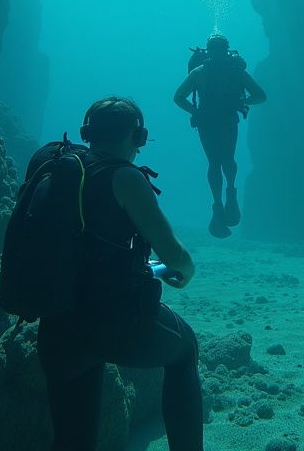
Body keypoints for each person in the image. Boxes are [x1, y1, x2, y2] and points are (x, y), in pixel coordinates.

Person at [36, 97, 202, 451]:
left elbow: (87, 253)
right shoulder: (125, 177)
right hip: (113, 325)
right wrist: (183, 272)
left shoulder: (58, 170)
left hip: (56, 328)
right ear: (138, 137)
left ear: (87, 133)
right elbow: (177, 257)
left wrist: (149, 269)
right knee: (185, 349)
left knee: (73, 442)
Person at [173, 33, 267, 239]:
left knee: (214, 163)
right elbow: (260, 96)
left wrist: (195, 112)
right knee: (228, 159)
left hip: (206, 123)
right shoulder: (238, 72)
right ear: (227, 50)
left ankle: (217, 206)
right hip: (228, 121)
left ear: (208, 51)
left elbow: (178, 97)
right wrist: (241, 102)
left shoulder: (199, 72)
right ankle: (231, 192)